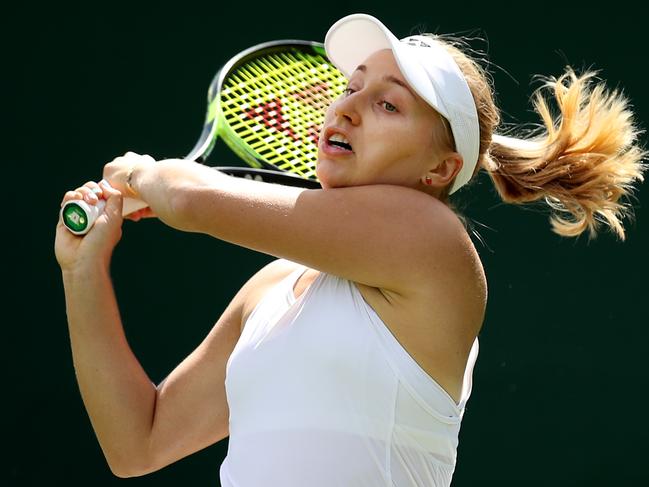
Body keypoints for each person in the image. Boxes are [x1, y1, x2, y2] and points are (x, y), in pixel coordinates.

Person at [54, 13, 645, 487]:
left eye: (387, 104)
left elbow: (187, 200)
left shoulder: (432, 239)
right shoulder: (271, 288)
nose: (346, 107)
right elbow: (140, 442)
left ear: (442, 167)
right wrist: (82, 272)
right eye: (350, 88)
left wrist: (145, 172)